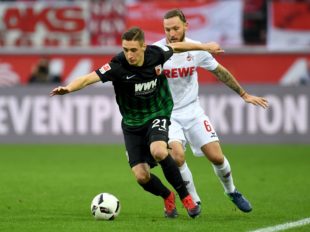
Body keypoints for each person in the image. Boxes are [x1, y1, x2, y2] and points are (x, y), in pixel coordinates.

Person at [50, 27, 223, 218]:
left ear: (144, 47)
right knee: (142, 176)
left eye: (133, 50)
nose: (129, 54)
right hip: (132, 124)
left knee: (159, 151)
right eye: (125, 49)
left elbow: (177, 46)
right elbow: (88, 78)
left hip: (158, 113)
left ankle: (187, 198)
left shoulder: (156, 54)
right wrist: (67, 88)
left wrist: (205, 47)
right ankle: (167, 196)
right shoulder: (117, 65)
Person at [153, 9, 269, 213]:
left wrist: (243, 94)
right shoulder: (157, 51)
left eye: (175, 28)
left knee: (216, 157)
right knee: (177, 157)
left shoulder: (197, 50)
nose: (171, 33)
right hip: (167, 114)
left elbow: (220, 72)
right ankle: (193, 199)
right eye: (167, 29)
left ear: (186, 26)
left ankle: (231, 190)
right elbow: (172, 49)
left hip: (193, 110)